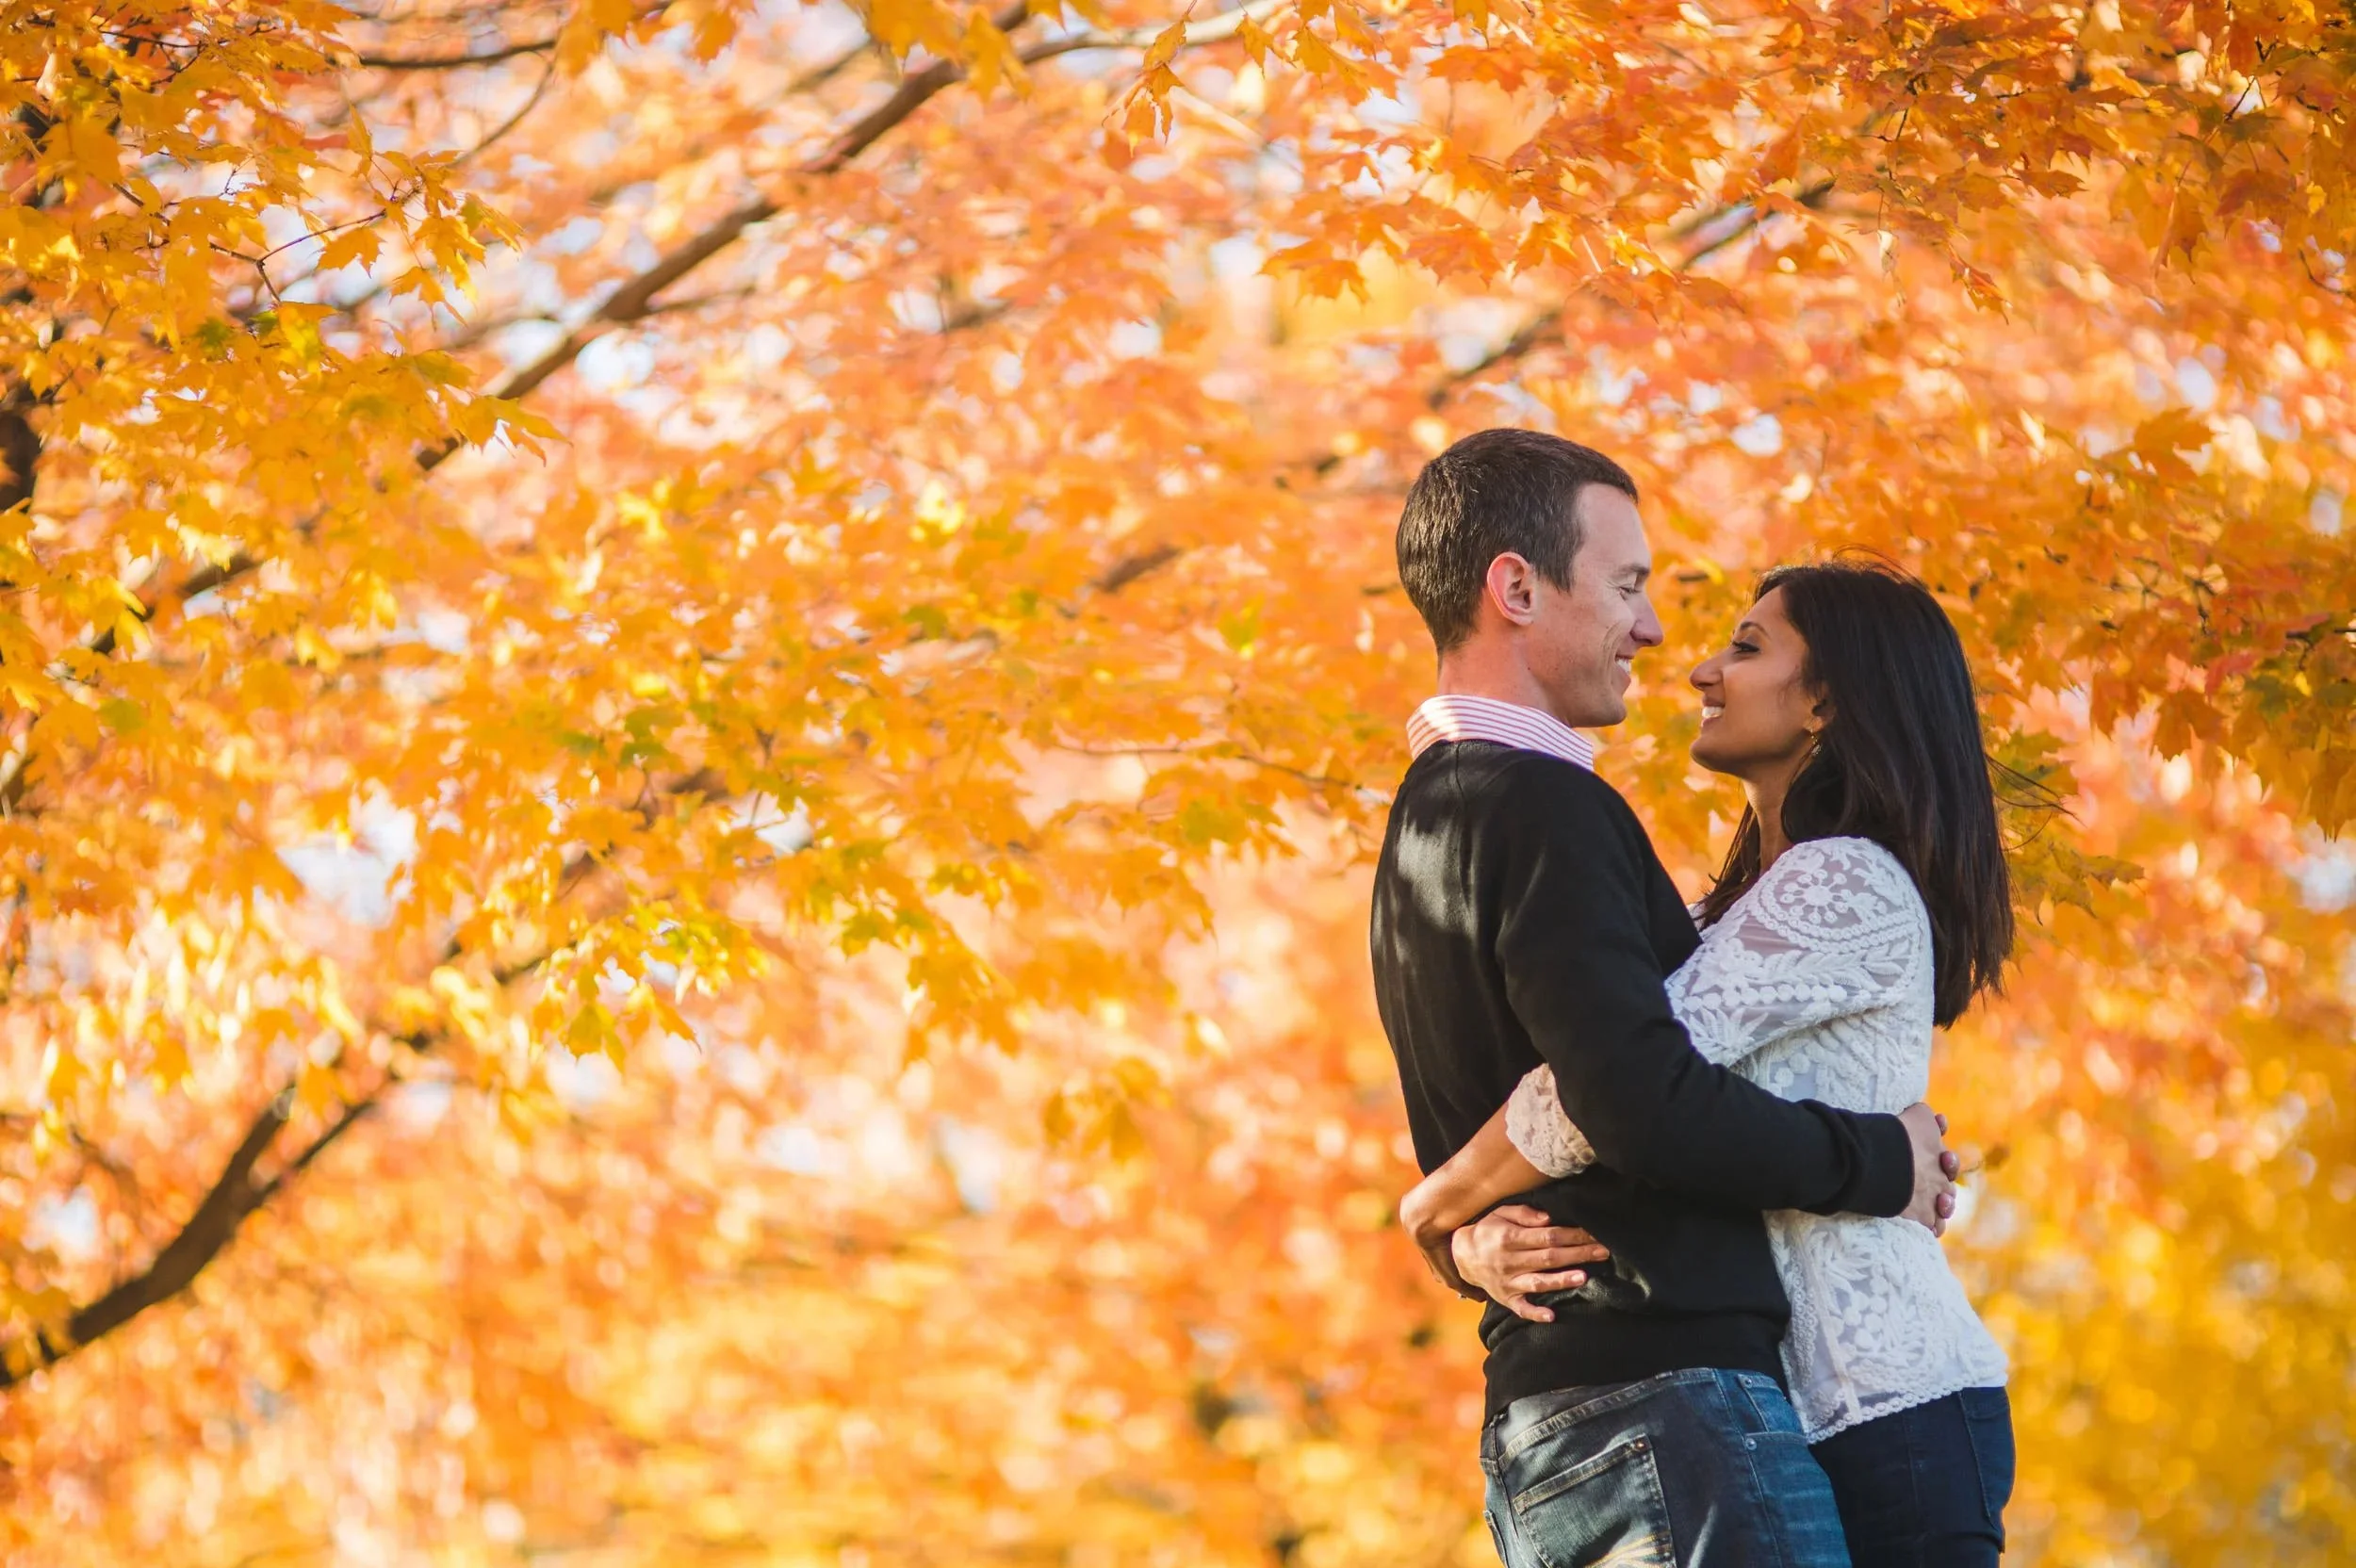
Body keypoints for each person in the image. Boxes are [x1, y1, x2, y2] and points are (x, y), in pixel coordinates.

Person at [1368, 428, 1960, 1568]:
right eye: (1629, 584)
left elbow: (1581, 1089)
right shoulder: (1539, 803)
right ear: (1517, 588)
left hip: (1583, 1415)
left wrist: (1442, 1221)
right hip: (1660, 1408)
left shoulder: (1429, 820)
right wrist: (1882, 1161)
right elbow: (1636, 1095)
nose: (1651, 629)